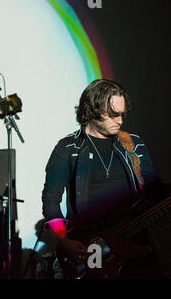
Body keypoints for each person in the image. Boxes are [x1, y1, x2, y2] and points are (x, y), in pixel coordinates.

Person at [41, 79, 169, 278]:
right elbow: (51, 197)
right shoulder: (67, 148)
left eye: (123, 114)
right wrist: (63, 241)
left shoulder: (133, 144)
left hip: (136, 244)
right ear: (92, 111)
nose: (120, 121)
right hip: (93, 244)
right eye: (114, 114)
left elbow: (154, 191)